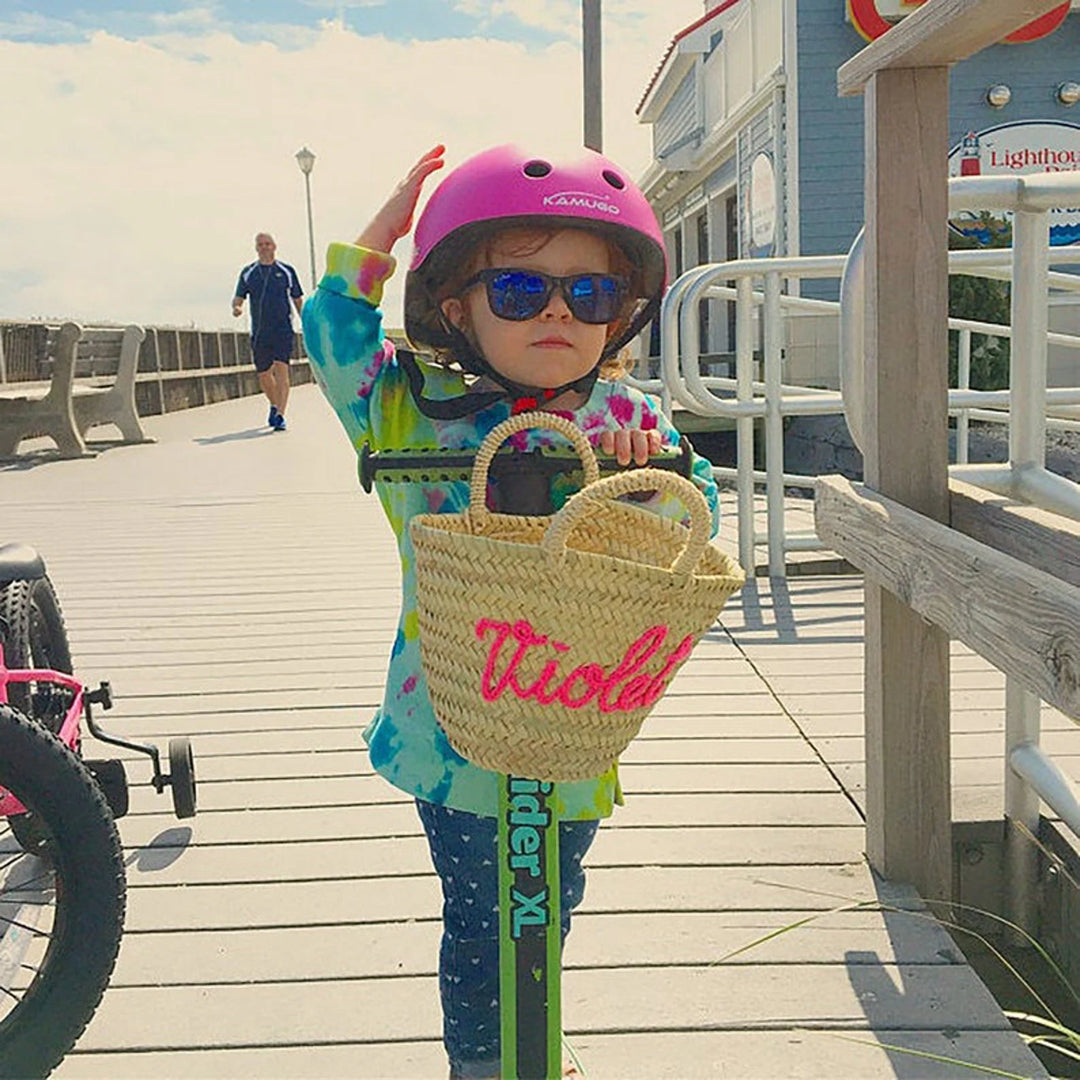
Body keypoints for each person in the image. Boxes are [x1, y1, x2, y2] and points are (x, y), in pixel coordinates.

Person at [301, 144, 720, 1079]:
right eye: (521, 293)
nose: (560, 315)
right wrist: (388, 225)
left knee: (550, 903)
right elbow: (333, 332)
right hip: (451, 727)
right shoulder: (412, 412)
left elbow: (701, 522)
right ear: (457, 307)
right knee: (481, 916)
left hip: (574, 715)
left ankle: (539, 1040)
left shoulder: (628, 417)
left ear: (623, 314)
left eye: (591, 296)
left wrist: (649, 476)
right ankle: (488, 1065)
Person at [232, 232, 303, 431]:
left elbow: (297, 298)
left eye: (267, 244)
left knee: (281, 369)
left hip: (283, 329)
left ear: (274, 246)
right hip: (260, 331)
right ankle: (274, 404)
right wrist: (237, 308)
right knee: (263, 375)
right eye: (260, 244)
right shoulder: (249, 272)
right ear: (256, 248)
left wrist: (305, 320)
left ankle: (280, 414)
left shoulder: (286, 271)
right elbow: (238, 297)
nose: (264, 247)